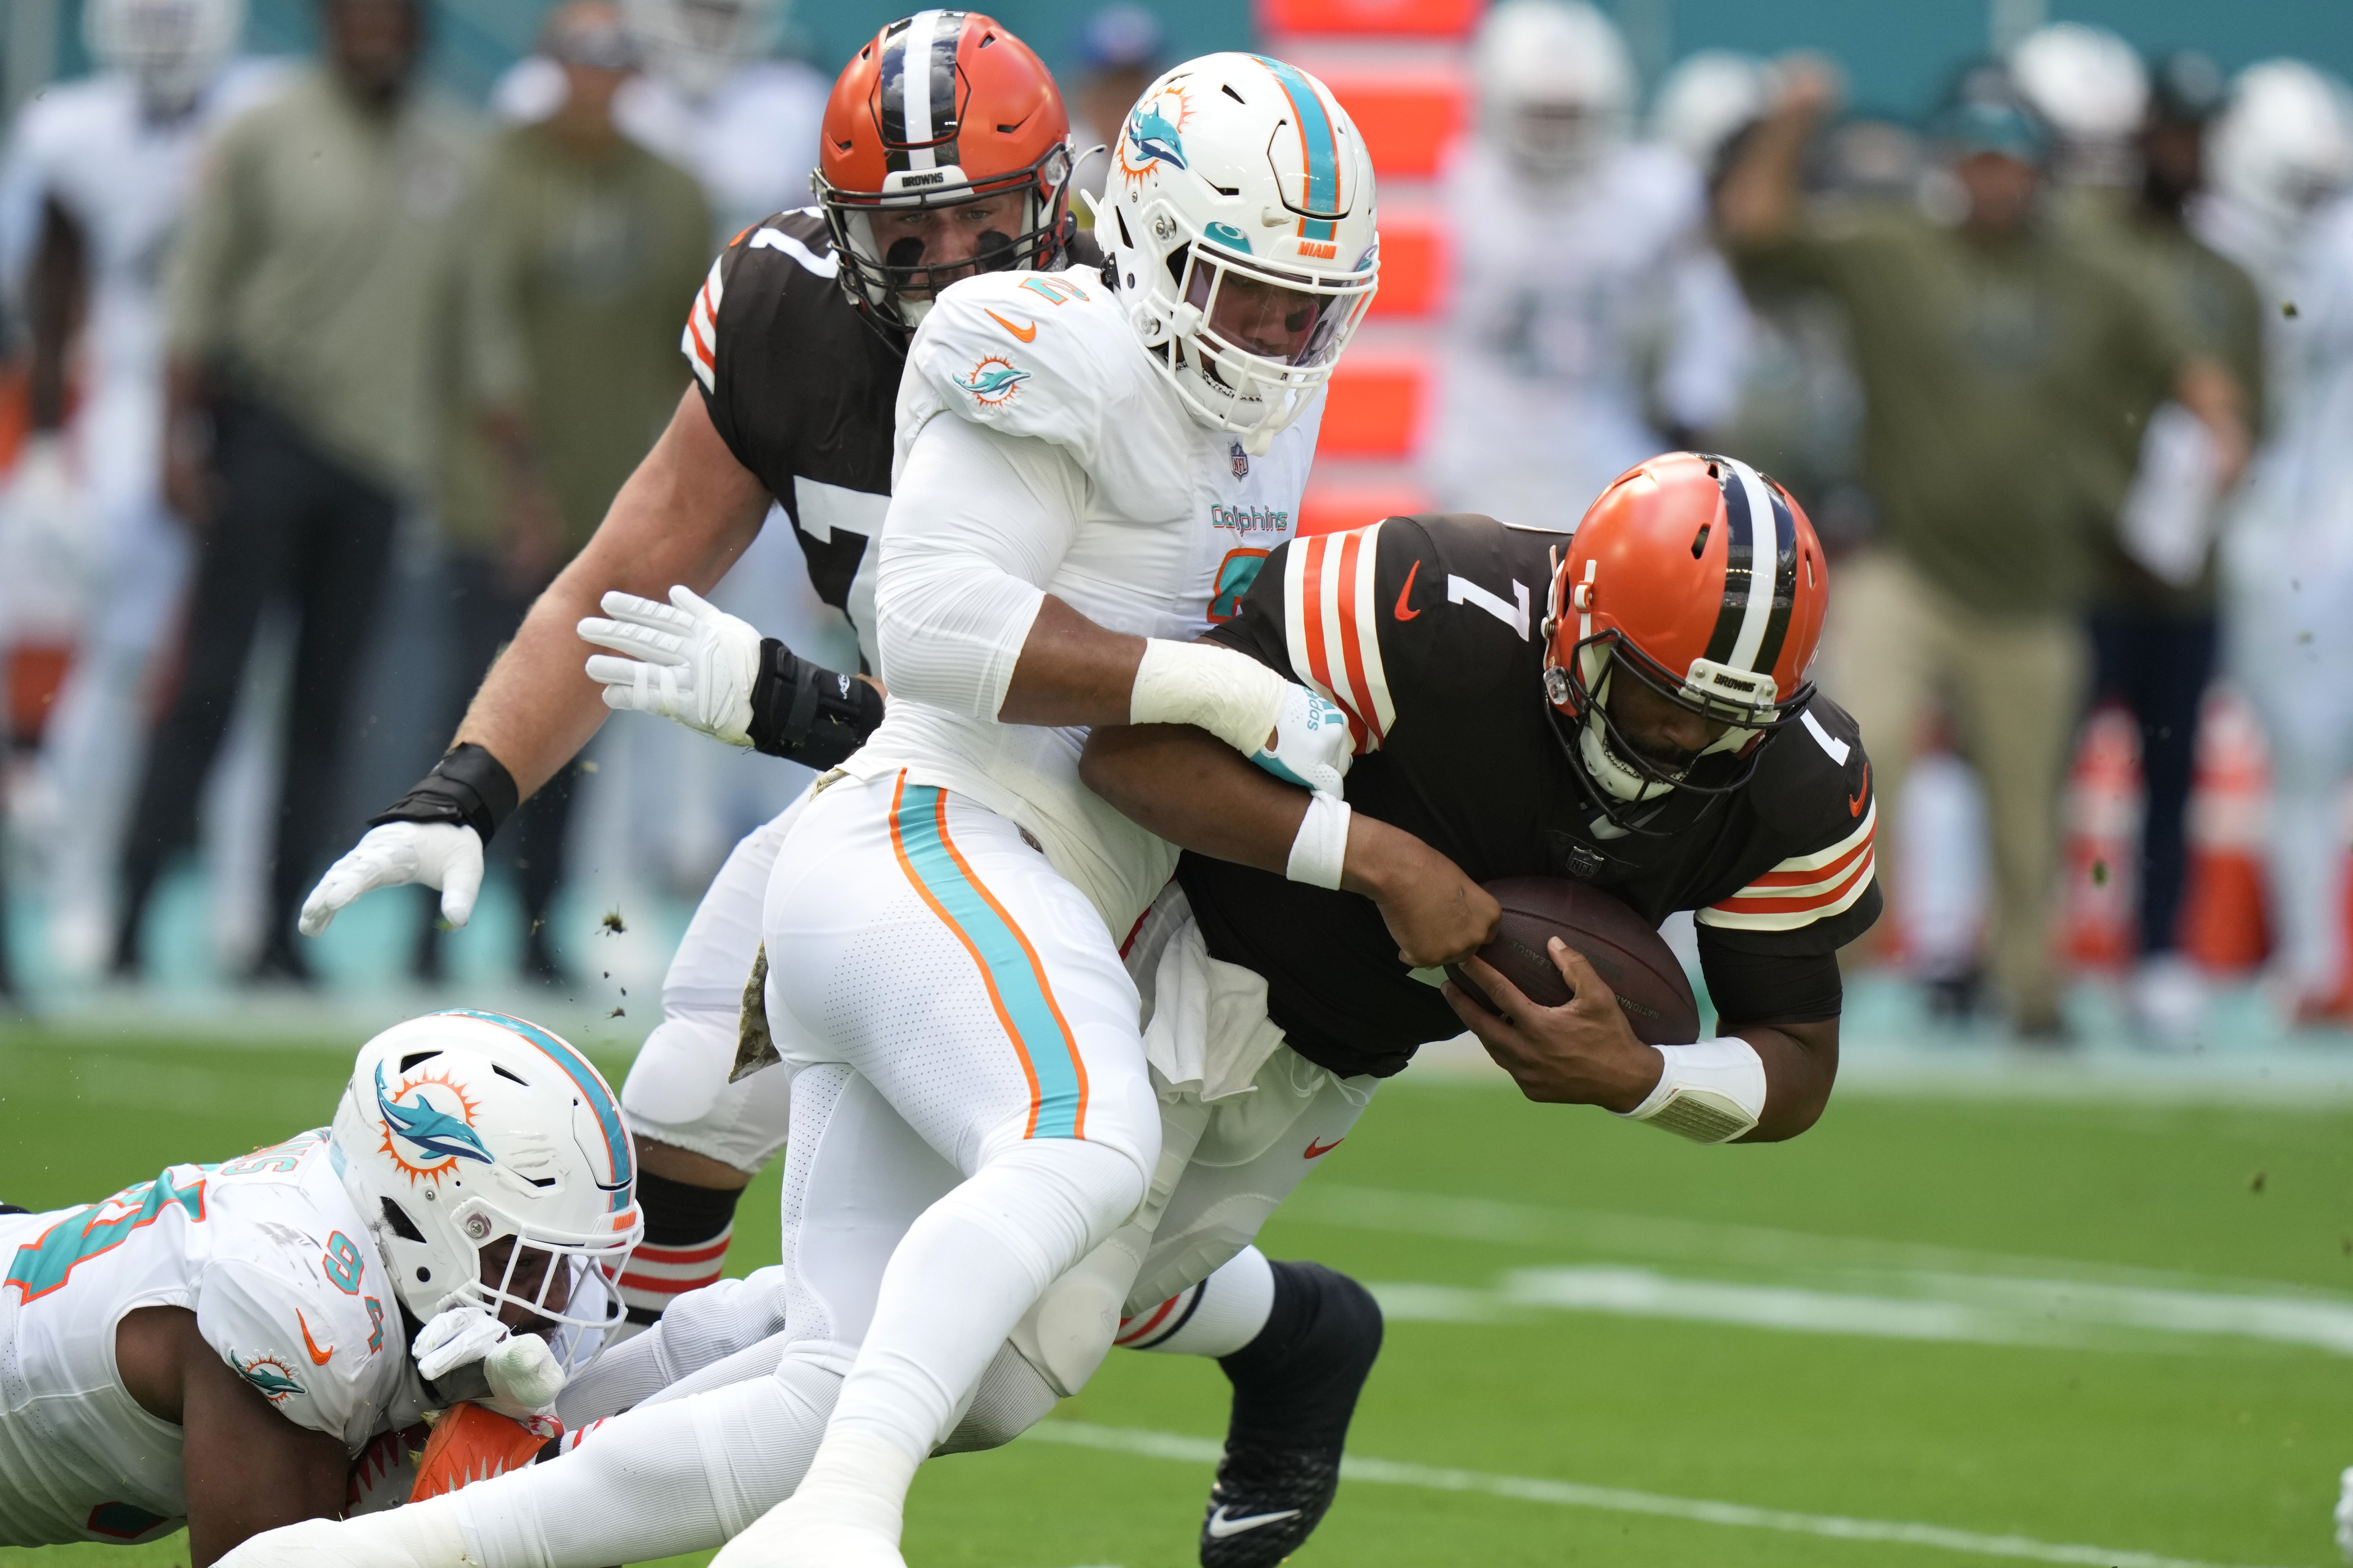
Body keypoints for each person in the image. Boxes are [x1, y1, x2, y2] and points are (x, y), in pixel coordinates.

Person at [273, 32, 1387, 1568]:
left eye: (984, 219)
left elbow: (1102, 687)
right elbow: (630, 577)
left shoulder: (1178, 324)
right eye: (902, 230)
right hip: (931, 796)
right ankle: (526, 1458)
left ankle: (1286, 1328)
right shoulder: (819, 312)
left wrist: (803, 703)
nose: (945, 258)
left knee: (1035, 1296)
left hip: (1096, 810)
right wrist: (463, 788)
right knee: (692, 1098)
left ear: (1070, 203)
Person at [1716, 61, 2251, 1038]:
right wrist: (1787, 123)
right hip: (1908, 565)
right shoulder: (1891, 247)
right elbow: (1755, 234)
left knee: (2028, 818)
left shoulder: (2093, 272)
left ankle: (2031, 994)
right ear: (1948, 163)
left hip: (2039, 588)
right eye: (1976, 158)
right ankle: (1819, 971)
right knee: (1847, 760)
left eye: (2009, 160)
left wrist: (2215, 420)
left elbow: (2184, 354)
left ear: (2037, 169)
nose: (1993, 177)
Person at [113, 0, 543, 984]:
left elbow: (480, 333)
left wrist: (520, 477)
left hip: (381, 462)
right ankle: (132, 909)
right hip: (267, 428)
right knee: (209, 686)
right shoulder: (267, 127)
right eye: (359, 17)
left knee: (325, 703)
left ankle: (277, 932)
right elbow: (200, 290)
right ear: (328, 24)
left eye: (393, 19)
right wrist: (176, 441)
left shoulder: (456, 152)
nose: (376, 34)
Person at [0, 1009, 642, 1564]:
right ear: (418, 1215)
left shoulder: (361, 1229)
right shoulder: (299, 1304)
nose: (556, 1302)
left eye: (564, 1260)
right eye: (523, 1261)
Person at [417, 0, 714, 985]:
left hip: (609, 501)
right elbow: (480, 327)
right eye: (578, 58)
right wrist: (518, 487)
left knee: (576, 720)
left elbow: (697, 356)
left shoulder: (672, 193)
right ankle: (427, 924)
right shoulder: (499, 169)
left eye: (614, 58)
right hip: (497, 493)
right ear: (551, 64)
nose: (596, 77)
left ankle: (538, 929)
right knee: (470, 705)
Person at [0, 0, 281, 978]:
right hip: (122, 405)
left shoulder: (267, 106)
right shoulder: (69, 129)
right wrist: (43, 445)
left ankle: (244, 909)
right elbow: (52, 285)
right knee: (119, 659)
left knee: (242, 674)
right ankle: (82, 890)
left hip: (251, 399)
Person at [2021, 46, 2269, 1042]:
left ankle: (2156, 952)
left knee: (2169, 769)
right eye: (2167, 133)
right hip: (2083, 555)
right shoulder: (2081, 246)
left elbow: (2254, 410)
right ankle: (2031, 948)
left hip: (2184, 568)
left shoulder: (2228, 276)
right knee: (2048, 759)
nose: (2180, 151)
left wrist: (2206, 484)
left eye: (2194, 137)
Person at [1422, 0, 1751, 530]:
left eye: (1570, 116)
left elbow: (1708, 313)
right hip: (1472, 454)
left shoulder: (1651, 194)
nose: (1556, 136)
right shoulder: (1452, 187)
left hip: (1605, 449)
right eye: (1541, 116)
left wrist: (1692, 404)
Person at [2203, 62, 2353, 1026]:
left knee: (2299, 759)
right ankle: (2307, 956)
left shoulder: (2219, 246)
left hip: (2289, 518)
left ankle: (2308, 957)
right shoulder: (2215, 247)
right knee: (2292, 758)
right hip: (2271, 515)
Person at [1066, 4, 1162, 205]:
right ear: (1087, 99)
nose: (1126, 113)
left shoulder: (1178, 159)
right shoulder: (1065, 174)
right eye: (1113, 96)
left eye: (1136, 94)